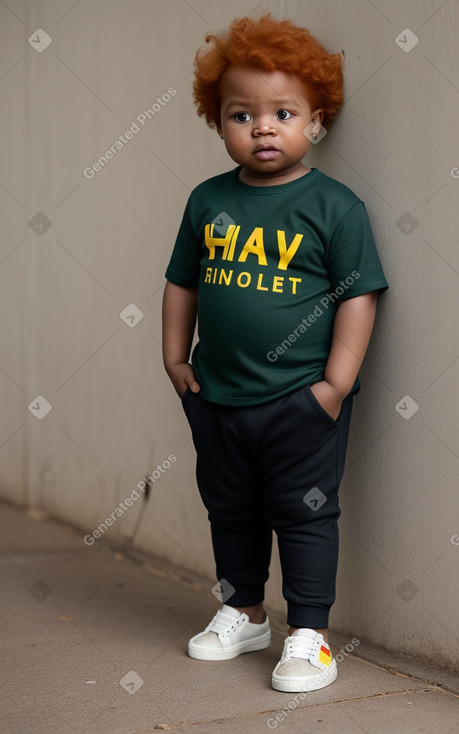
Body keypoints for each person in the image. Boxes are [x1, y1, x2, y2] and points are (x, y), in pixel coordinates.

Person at [162, 13, 388, 693]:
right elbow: (181, 283)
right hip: (216, 396)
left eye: (282, 112)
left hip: (299, 400)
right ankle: (243, 610)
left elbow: (359, 295)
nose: (261, 127)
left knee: (304, 511)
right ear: (218, 121)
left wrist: (334, 385)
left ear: (315, 122)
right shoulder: (207, 201)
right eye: (241, 114)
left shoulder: (333, 207)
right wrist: (177, 363)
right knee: (228, 509)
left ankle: (310, 636)